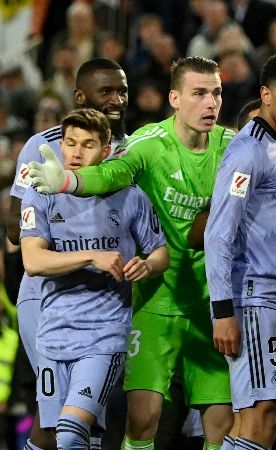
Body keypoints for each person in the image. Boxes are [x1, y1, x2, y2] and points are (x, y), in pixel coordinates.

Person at [27, 56, 236, 450]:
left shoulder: (233, 147)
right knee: (143, 420)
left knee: (221, 423)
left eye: (217, 93)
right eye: (199, 94)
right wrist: (69, 180)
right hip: (154, 301)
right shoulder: (148, 144)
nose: (211, 103)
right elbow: (110, 174)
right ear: (175, 97)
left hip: (209, 302)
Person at [19, 108, 168, 450]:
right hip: (53, 333)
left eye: (87, 145)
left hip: (104, 335)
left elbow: (160, 253)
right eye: (70, 143)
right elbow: (33, 260)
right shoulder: (40, 194)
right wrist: (90, 256)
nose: (76, 152)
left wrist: (147, 266)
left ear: (105, 152)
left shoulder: (129, 196)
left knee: (72, 432)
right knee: (51, 439)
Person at [7, 57, 129, 450]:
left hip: (106, 298)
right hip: (46, 293)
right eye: (105, 91)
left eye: (122, 90)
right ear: (80, 96)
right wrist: (60, 202)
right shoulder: (42, 146)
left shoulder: (134, 151)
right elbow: (14, 230)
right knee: (52, 418)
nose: (117, 99)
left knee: (90, 420)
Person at [204, 51, 276, 450]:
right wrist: (223, 312)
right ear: (266, 95)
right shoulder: (247, 150)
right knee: (262, 415)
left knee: (259, 416)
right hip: (253, 299)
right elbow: (218, 234)